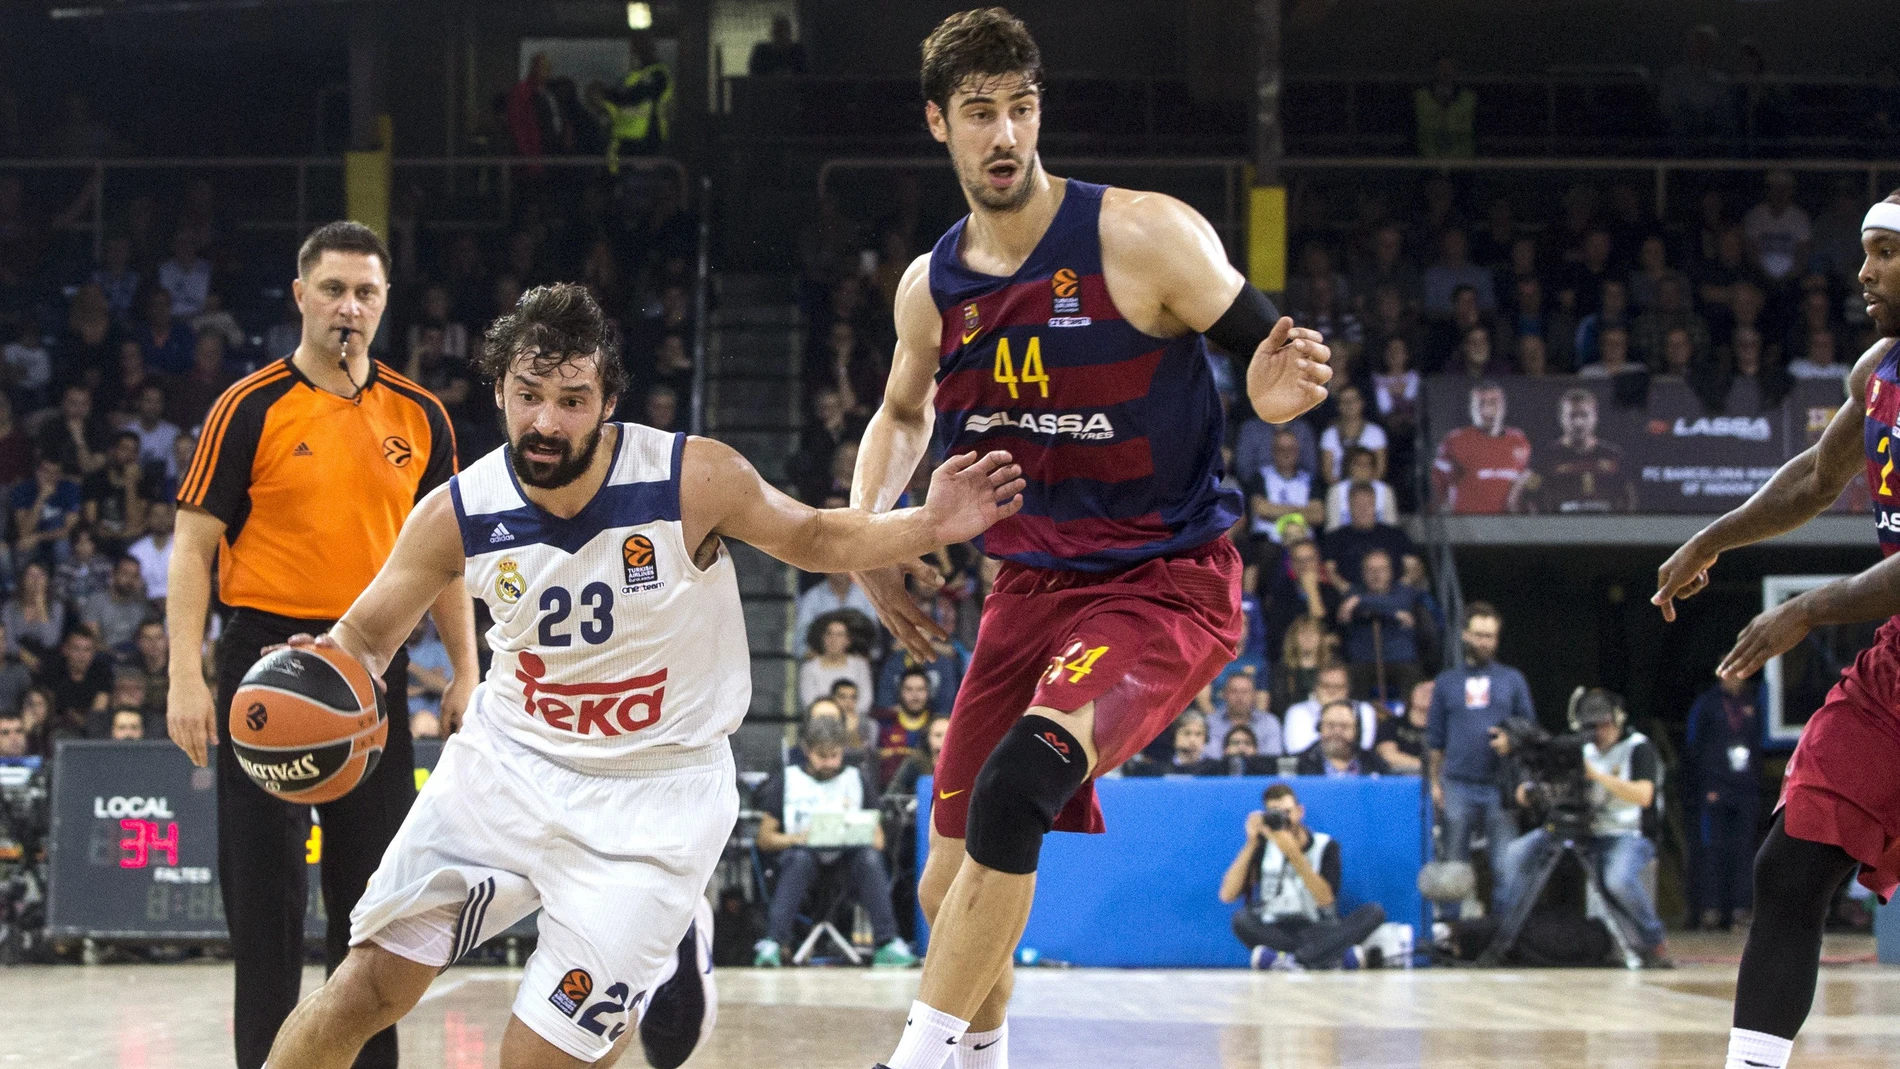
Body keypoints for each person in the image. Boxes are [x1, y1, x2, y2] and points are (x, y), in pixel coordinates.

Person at [258, 281, 1021, 1069]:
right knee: (362, 988)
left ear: (608, 404)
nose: (546, 421)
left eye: (572, 400)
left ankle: (667, 937)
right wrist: (316, 669)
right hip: (506, 766)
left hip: (656, 795)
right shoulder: (457, 511)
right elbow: (365, 636)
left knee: (535, 1061)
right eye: (528, 395)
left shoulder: (691, 478)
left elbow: (817, 536)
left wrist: (928, 522)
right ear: (500, 393)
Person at [853, 13, 1331, 1069]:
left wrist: (1277, 391)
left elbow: (1271, 350)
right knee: (945, 887)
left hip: (1162, 581)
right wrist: (873, 534)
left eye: (1020, 108)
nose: (1003, 134)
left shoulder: (1144, 235)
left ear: (1040, 112)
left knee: (1016, 788)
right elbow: (900, 414)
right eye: (979, 112)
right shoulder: (932, 288)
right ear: (938, 124)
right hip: (1028, 587)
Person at [164, 222, 478, 1069]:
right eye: (334, 289)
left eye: (365, 292)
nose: (349, 306)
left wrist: (466, 669)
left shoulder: (421, 414)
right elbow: (192, 547)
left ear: (385, 302)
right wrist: (184, 675)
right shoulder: (249, 405)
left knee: (375, 910)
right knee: (264, 910)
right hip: (265, 664)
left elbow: (447, 555)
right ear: (301, 296)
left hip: (371, 663)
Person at [1651, 191, 1900, 1069]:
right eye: (1865, 250)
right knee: (1791, 865)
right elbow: (1816, 477)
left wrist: (1807, 608)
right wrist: (1712, 537)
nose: (1864, 271)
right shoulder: (1879, 369)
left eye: (1885, 253)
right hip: (1897, 664)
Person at [1496, 690, 1672, 968]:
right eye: (1591, 726)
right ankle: (1504, 936)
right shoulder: (1578, 748)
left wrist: (1596, 775)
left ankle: (1653, 940)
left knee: (1618, 880)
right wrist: (1534, 791)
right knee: (1516, 854)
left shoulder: (1638, 747)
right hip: (1582, 828)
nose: (1599, 732)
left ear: (1618, 719)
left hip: (1628, 833)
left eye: (1604, 724)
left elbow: (1644, 795)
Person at [754, 716, 918, 969]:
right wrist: (796, 838)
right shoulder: (788, 780)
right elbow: (764, 838)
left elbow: (878, 840)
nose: (829, 763)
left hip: (847, 864)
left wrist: (852, 832)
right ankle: (773, 943)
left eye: (835, 755)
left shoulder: (856, 779)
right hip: (800, 862)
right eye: (822, 756)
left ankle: (887, 943)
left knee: (869, 858)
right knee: (800, 859)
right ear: (807, 751)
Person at [1426, 602, 1534, 916]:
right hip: (1457, 782)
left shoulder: (1512, 679)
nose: (1485, 642)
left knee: (1506, 864)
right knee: (1453, 865)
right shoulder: (1446, 681)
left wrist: (1512, 740)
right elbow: (1435, 738)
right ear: (1464, 634)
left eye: (1491, 636)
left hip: (1500, 785)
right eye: (1479, 635)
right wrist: (1434, 781)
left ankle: (1506, 933)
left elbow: (1530, 729)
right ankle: (1450, 932)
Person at [1218, 783, 1386, 970]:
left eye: (1287, 812)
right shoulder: (1262, 846)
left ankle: (1290, 960)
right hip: (1276, 928)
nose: (1284, 820)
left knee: (1374, 912)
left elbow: (1326, 900)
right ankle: (1327, 959)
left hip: (1318, 927)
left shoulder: (1326, 846)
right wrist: (1251, 843)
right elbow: (1227, 895)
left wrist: (1294, 854)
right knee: (1241, 919)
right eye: (1275, 814)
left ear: (1300, 812)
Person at [1686, 672, 1761, 931]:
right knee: (1712, 850)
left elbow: (1758, 745)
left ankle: (1740, 909)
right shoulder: (1706, 704)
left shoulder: (1753, 702)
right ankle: (1710, 909)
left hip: (1745, 789)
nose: (1733, 680)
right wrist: (1706, 785)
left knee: (1744, 850)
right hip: (1714, 789)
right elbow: (1694, 747)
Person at [1510, 387, 1635, 514]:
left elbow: (1629, 497)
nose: (1578, 423)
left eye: (1584, 415)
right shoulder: (1547, 457)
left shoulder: (1613, 455)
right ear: (1561, 418)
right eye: (1572, 415)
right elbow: (1518, 497)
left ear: (1595, 417)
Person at [1336, 549, 1425, 704]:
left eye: (1382, 569)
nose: (1376, 574)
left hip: (1401, 658)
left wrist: (1360, 602)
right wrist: (1394, 614)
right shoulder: (1353, 592)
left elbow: (1400, 603)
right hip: (1362, 660)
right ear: (1363, 573)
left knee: (1412, 681)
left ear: (1390, 573)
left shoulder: (1403, 591)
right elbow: (1348, 612)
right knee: (1352, 682)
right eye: (1371, 570)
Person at [1430, 382, 1530, 515]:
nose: (1487, 409)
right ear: (1471, 408)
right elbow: (1437, 484)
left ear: (1503, 406)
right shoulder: (1456, 440)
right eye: (1481, 403)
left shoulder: (1519, 440)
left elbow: (1526, 480)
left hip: (1507, 523)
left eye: (1493, 402)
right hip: (1468, 521)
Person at [1282, 662, 1377, 755]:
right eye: (1326, 686)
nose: (1332, 691)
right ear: (1315, 687)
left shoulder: (1363, 710)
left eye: (1338, 687)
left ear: (1348, 689)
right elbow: (1297, 751)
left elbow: (1364, 749)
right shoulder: (1298, 712)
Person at [799, 613, 875, 712]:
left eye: (839, 635)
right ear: (823, 638)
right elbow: (809, 701)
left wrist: (849, 716)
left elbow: (865, 700)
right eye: (829, 634)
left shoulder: (860, 665)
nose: (833, 639)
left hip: (854, 717)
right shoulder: (809, 668)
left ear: (848, 641)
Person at [1294, 700, 1390, 777]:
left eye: (1344, 726)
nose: (1337, 732)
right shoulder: (1299, 764)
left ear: (1357, 730)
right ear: (1319, 728)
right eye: (1330, 726)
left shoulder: (1375, 764)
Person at [1201, 672, 1282, 760]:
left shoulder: (1269, 722)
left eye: (1245, 692)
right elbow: (1209, 757)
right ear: (1224, 694)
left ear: (1254, 695)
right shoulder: (1211, 722)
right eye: (1234, 691)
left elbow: (1272, 758)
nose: (1239, 697)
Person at [1376, 679, 1435, 774]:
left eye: (1432, 691)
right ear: (1412, 694)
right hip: (1399, 777)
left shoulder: (1444, 730)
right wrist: (1426, 766)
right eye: (1421, 689)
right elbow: (1388, 755)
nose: (1426, 693)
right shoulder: (1391, 724)